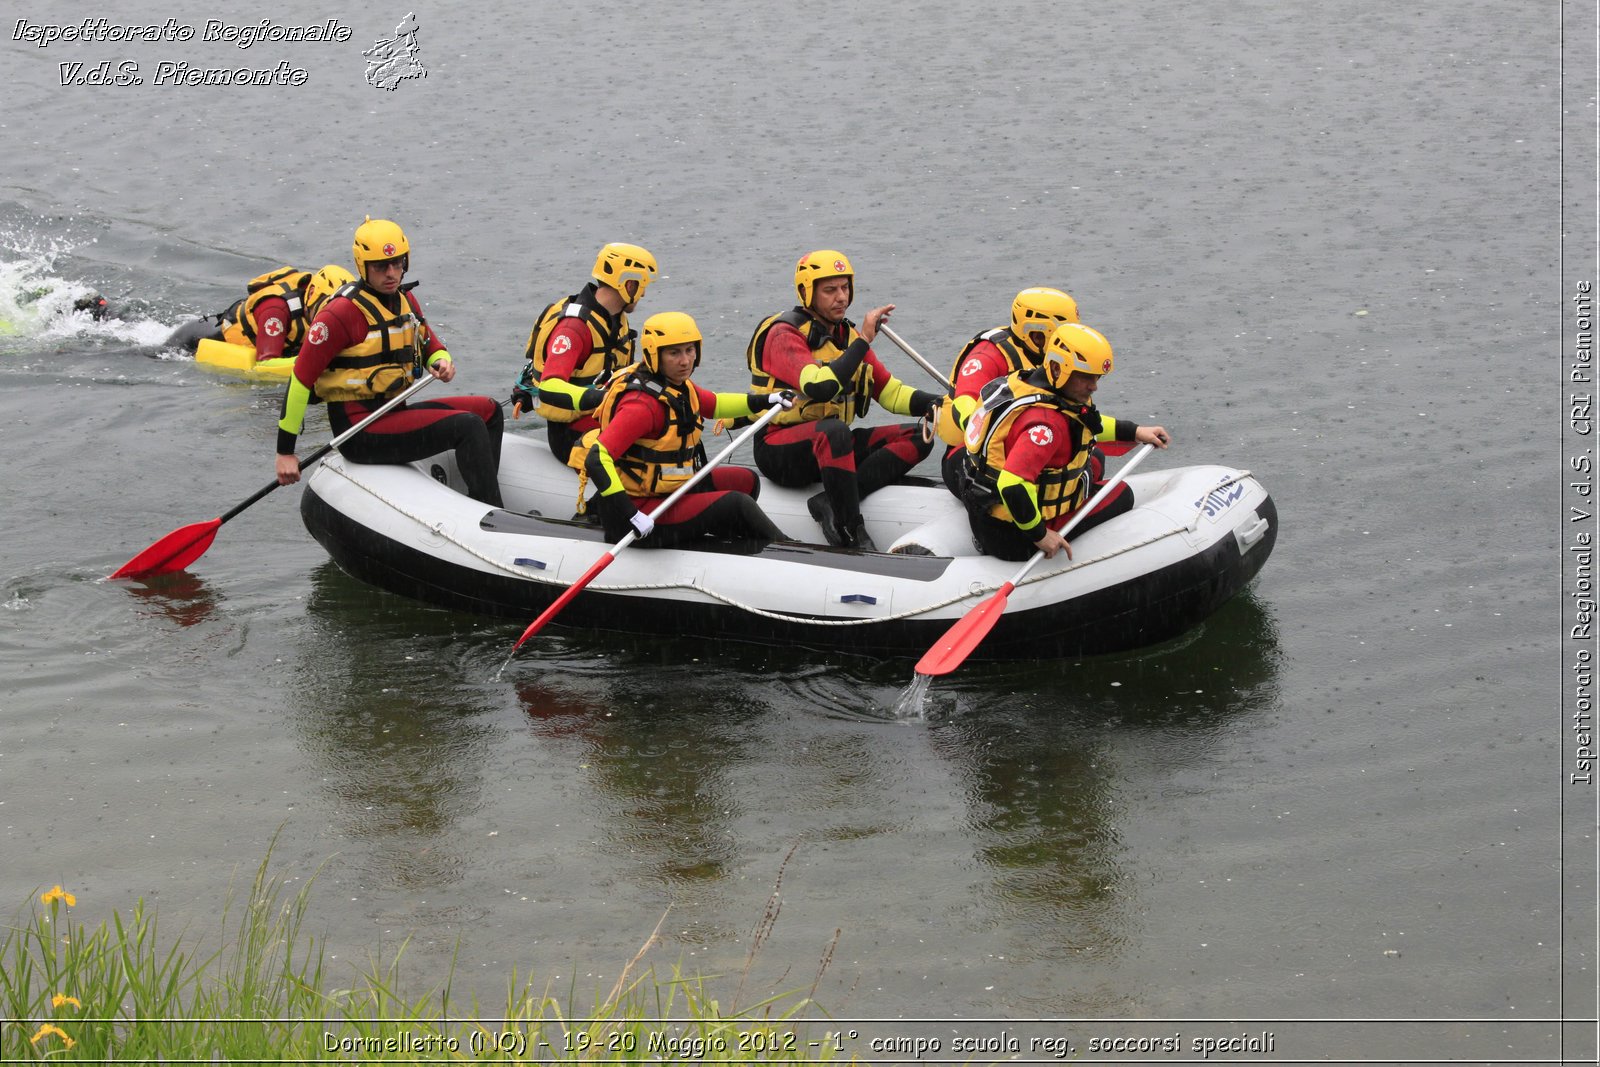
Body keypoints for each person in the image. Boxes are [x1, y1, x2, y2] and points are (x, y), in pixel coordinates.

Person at [273, 218, 505, 507]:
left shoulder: (406, 301)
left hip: (393, 413)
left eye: (398, 263)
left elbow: (431, 345)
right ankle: (492, 511)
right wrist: (285, 452)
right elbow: (301, 379)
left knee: (490, 411)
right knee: (468, 426)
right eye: (381, 266)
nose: (392, 273)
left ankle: (480, 498)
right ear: (363, 266)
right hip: (359, 431)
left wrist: (442, 361)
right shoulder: (341, 314)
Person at [745, 250, 940, 551]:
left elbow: (891, 393)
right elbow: (819, 386)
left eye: (845, 288)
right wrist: (864, 340)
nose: (841, 298)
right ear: (806, 292)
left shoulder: (847, 337)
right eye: (830, 290)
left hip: (830, 446)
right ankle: (850, 530)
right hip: (780, 451)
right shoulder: (783, 335)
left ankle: (831, 500)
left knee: (920, 434)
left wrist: (941, 402)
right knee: (834, 432)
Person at [959, 322, 1170, 562]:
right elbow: (1012, 484)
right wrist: (1039, 535)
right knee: (1121, 493)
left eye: (1097, 377)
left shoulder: (1025, 383)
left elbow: (1084, 425)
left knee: (1095, 460)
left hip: (983, 511)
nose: (1094, 386)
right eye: (1086, 377)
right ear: (1058, 370)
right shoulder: (1046, 425)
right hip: (1015, 536)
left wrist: (1134, 431)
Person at [584, 311, 792, 548]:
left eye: (689, 350)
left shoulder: (678, 386)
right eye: (674, 353)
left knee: (746, 481)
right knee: (736, 504)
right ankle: (788, 550)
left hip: (668, 493)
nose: (685, 361)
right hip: (637, 515)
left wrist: (769, 399)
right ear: (654, 354)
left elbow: (715, 404)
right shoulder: (642, 406)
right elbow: (596, 459)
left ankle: (734, 547)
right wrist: (632, 515)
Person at [511, 243, 658, 469]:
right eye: (642, 285)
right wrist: (603, 399)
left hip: (602, 417)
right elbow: (550, 386)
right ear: (629, 284)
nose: (644, 293)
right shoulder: (575, 329)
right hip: (570, 435)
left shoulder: (614, 319)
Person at [936, 287, 1081, 492]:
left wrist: (1130, 431)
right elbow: (964, 401)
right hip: (972, 455)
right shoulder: (989, 355)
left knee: (1093, 459)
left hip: (1027, 445)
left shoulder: (1056, 363)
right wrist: (983, 429)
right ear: (1038, 334)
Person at [163, 263, 353, 361]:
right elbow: (266, 366)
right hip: (191, 342)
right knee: (153, 356)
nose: (330, 319)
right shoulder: (276, 310)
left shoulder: (321, 311)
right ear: (312, 294)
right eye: (326, 310)